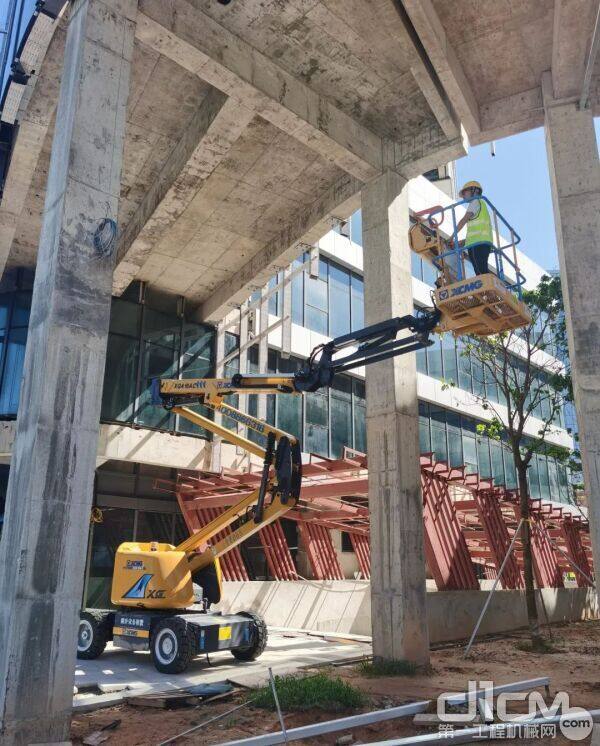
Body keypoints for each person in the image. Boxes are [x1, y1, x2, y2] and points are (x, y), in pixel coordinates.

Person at [454, 180, 493, 275]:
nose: (463, 196)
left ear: (474, 190)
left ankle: (487, 288)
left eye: (464, 192)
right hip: (483, 243)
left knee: (480, 271)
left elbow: (464, 220)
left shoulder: (475, 202)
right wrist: (463, 242)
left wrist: (452, 236)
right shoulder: (482, 204)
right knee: (481, 268)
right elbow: (478, 231)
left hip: (477, 244)